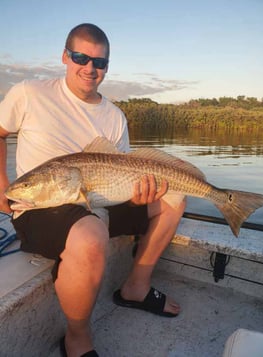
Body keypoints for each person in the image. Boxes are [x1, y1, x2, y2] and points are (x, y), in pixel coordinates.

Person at [0, 23, 186, 357]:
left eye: (99, 62)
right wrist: (3, 186)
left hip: (98, 193)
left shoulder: (114, 116)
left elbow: (123, 171)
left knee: (173, 198)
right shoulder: (30, 93)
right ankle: (77, 338)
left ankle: (135, 287)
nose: (90, 67)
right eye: (80, 57)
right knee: (90, 235)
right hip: (45, 205)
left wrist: (140, 193)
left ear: (107, 67)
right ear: (65, 56)